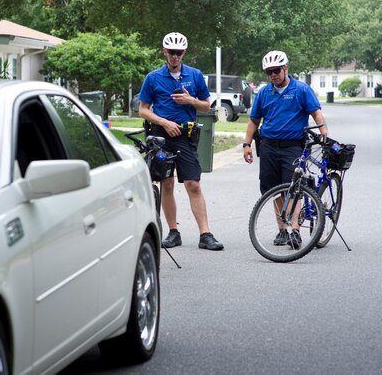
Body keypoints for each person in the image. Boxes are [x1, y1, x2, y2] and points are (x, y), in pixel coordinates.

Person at [138, 32, 223, 251]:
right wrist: (164, 122)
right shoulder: (153, 77)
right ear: (164, 52)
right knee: (166, 183)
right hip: (161, 137)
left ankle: (206, 234)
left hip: (185, 137)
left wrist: (190, 100)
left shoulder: (194, 75)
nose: (175, 57)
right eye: (171, 52)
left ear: (184, 53)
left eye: (179, 53)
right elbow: (143, 110)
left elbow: (206, 106)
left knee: (193, 183)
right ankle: (173, 232)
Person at [243, 50, 328, 247]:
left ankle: (295, 231)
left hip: (293, 147)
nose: (273, 75)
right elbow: (254, 121)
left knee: (294, 188)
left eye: (276, 70)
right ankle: (282, 229)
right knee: (273, 190)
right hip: (269, 146)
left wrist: (324, 132)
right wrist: (247, 145)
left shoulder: (301, 90)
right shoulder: (264, 92)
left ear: (286, 68)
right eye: (269, 72)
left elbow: (316, 113)